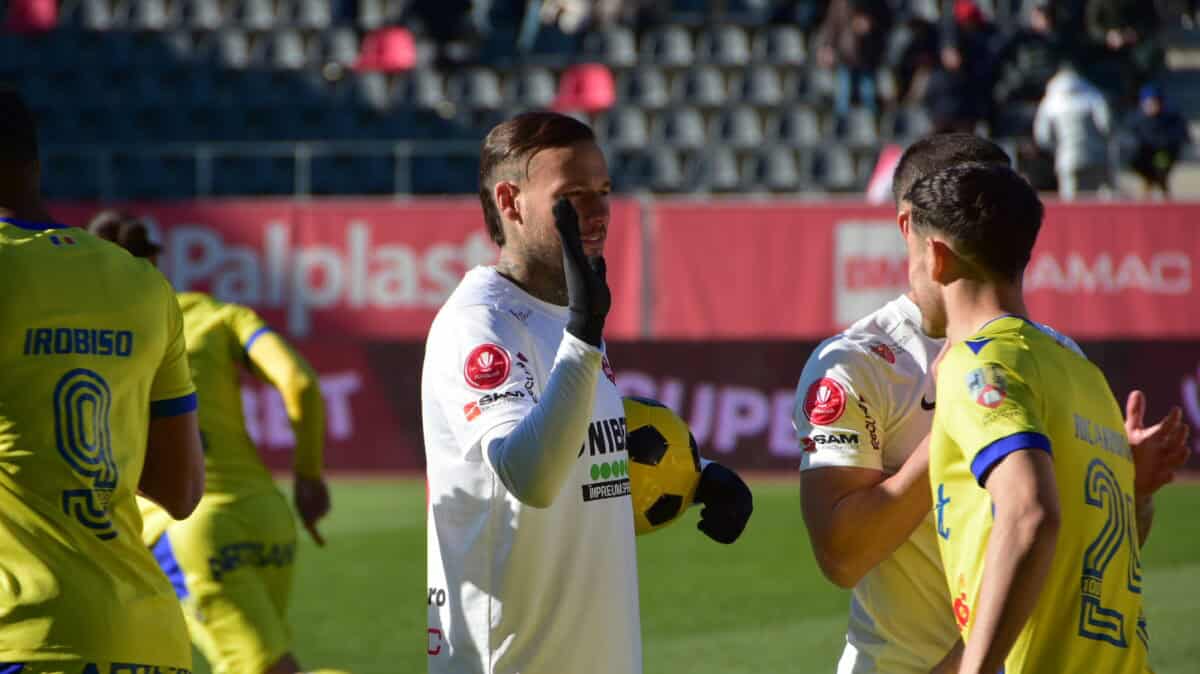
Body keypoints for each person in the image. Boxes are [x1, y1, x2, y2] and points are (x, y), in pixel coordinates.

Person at [792, 133, 1190, 674]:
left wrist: (1128, 495)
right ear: (913, 224)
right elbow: (841, 556)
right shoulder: (858, 361)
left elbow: (1083, 554)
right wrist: (967, 429)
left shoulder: (1056, 358)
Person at [422, 110, 753, 674]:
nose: (599, 213)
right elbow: (531, 476)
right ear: (510, 201)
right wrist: (583, 332)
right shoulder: (480, 324)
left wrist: (696, 477)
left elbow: (582, 450)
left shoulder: (562, 312)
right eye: (574, 195)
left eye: (604, 190)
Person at [909, 161, 1171, 672]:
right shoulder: (1082, 373)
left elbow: (1031, 514)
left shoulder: (976, 365)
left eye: (909, 256)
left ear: (935, 257)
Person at [0, 90, 205, 673]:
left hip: (20, 635)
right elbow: (180, 487)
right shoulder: (141, 282)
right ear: (34, 163)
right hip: (148, 640)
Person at [88, 211, 340, 674]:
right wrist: (307, 477)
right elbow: (300, 383)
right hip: (268, 517)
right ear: (157, 260)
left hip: (185, 529)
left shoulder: (91, 335)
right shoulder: (220, 315)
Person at [1034, 63, 1114, 199]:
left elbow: (1042, 137)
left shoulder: (1050, 101)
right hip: (1096, 156)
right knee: (1097, 203)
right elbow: (1106, 126)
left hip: (1067, 158)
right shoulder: (1093, 95)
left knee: (1071, 204)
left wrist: (1057, 149)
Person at [1127, 83, 1190, 197]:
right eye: (1148, 103)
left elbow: (1181, 136)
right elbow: (1129, 137)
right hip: (1144, 155)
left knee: (1161, 164)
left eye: (1154, 102)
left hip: (1164, 152)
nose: (1151, 106)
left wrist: (1164, 143)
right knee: (1135, 159)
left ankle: (1161, 186)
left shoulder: (1171, 117)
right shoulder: (1136, 118)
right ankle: (1150, 182)